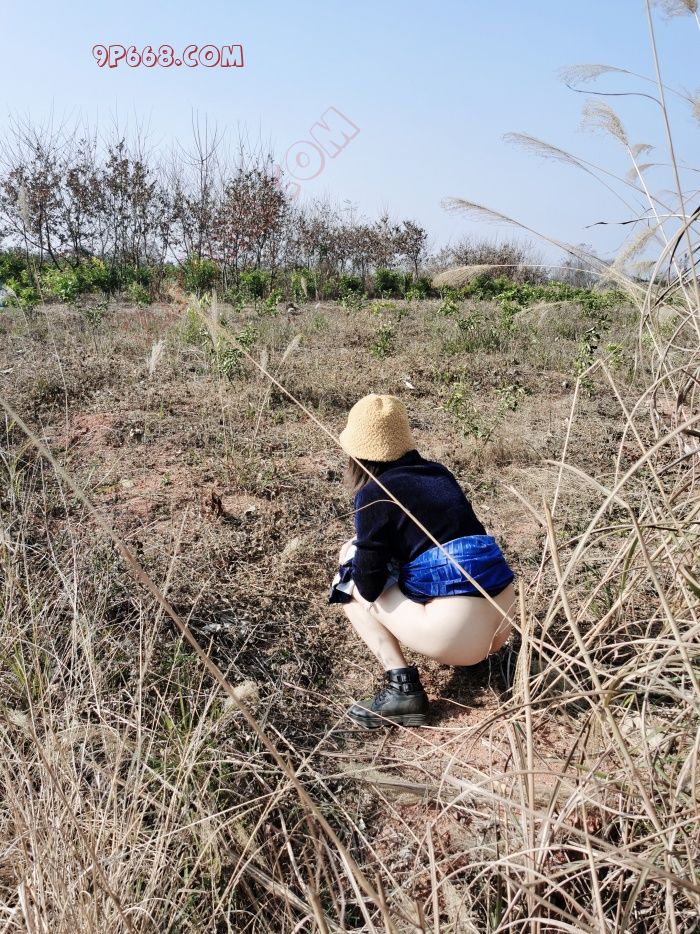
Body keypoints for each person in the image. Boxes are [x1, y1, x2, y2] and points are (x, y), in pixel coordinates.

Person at [330, 393, 516, 729]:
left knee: (349, 569)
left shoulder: (374, 493)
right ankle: (473, 660)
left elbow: (368, 587)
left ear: (357, 452)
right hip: (502, 623)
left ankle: (401, 688)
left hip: (455, 636)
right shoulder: (438, 473)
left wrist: (360, 554)